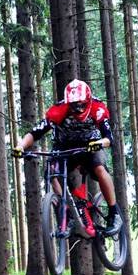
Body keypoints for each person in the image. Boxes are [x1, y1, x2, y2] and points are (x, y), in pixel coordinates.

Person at [13, 79, 123, 237]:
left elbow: (108, 138)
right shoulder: (58, 110)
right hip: (64, 147)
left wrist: (99, 143)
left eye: (81, 105)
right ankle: (68, 213)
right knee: (52, 173)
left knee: (99, 168)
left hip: (90, 145)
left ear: (88, 100)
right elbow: (35, 132)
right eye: (73, 105)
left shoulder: (97, 108)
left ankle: (114, 214)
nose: (77, 109)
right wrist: (20, 147)